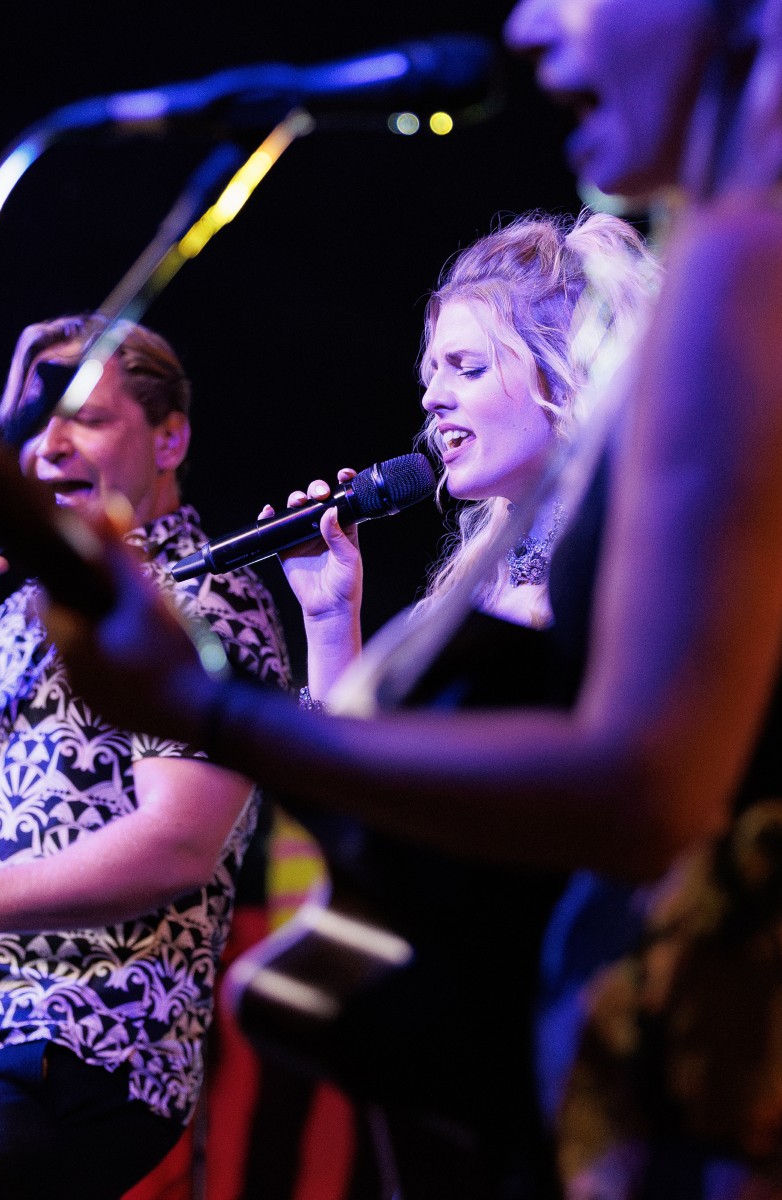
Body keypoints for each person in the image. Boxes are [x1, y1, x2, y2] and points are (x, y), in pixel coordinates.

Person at [44, 0, 782, 1196]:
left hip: (738, 1118)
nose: (529, 28)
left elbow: (639, 788)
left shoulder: (761, 269)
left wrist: (211, 709)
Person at [0, 314, 289, 1200]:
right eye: (35, 424)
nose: (51, 446)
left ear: (170, 438)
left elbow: (179, 844)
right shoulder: (16, 605)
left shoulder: (199, 595)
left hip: (81, 1037)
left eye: (88, 418)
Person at [255, 210, 659, 1197]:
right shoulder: (471, 593)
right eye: (432, 371)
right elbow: (352, 805)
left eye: (468, 368)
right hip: (465, 1030)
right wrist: (331, 616)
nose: (433, 396)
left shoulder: (622, 572)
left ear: (568, 378)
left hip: (568, 1017)